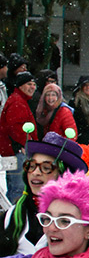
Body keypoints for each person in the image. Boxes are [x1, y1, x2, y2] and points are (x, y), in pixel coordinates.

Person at [0, 72, 38, 202]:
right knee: (18, 188)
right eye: (29, 84)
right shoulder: (17, 102)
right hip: (17, 151)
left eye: (34, 85)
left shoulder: (20, 100)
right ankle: (14, 217)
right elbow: (15, 127)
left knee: (17, 186)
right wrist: (24, 144)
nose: (32, 87)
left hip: (15, 150)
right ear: (20, 86)